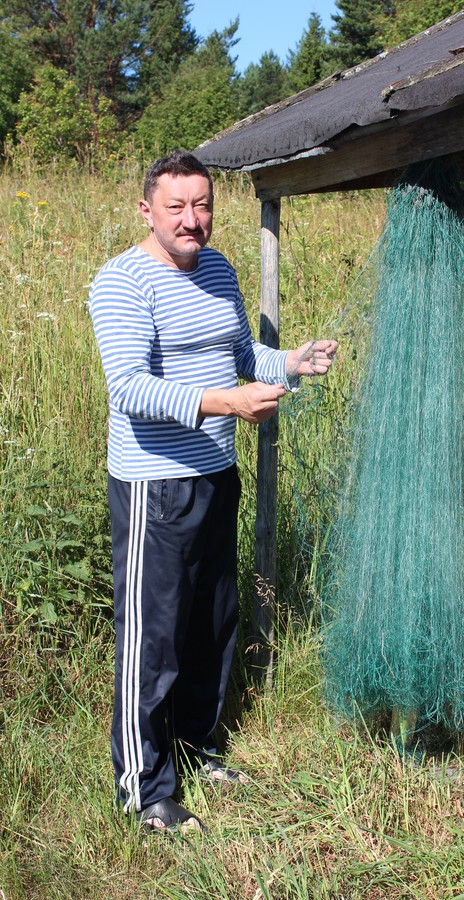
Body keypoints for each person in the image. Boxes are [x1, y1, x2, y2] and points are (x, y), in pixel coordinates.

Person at [89, 149, 337, 834]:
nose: (193, 220)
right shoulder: (121, 283)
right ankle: (143, 789)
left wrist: (291, 362)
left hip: (215, 475)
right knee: (153, 639)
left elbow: (238, 354)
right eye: (178, 208)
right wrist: (229, 404)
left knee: (210, 624)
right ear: (146, 210)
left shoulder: (220, 268)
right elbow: (131, 390)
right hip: (153, 486)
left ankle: (199, 749)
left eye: (202, 206)